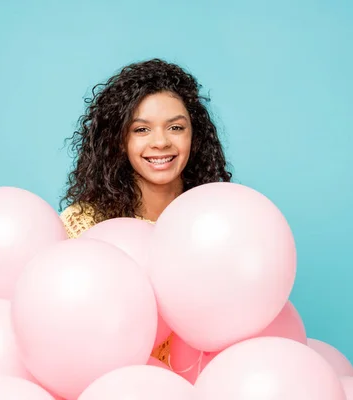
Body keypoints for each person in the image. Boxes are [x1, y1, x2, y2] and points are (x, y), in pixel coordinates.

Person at [59, 58, 232, 365]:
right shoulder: (84, 227)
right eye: (141, 129)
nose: (161, 142)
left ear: (196, 135)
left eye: (176, 127)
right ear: (119, 140)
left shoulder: (219, 223)